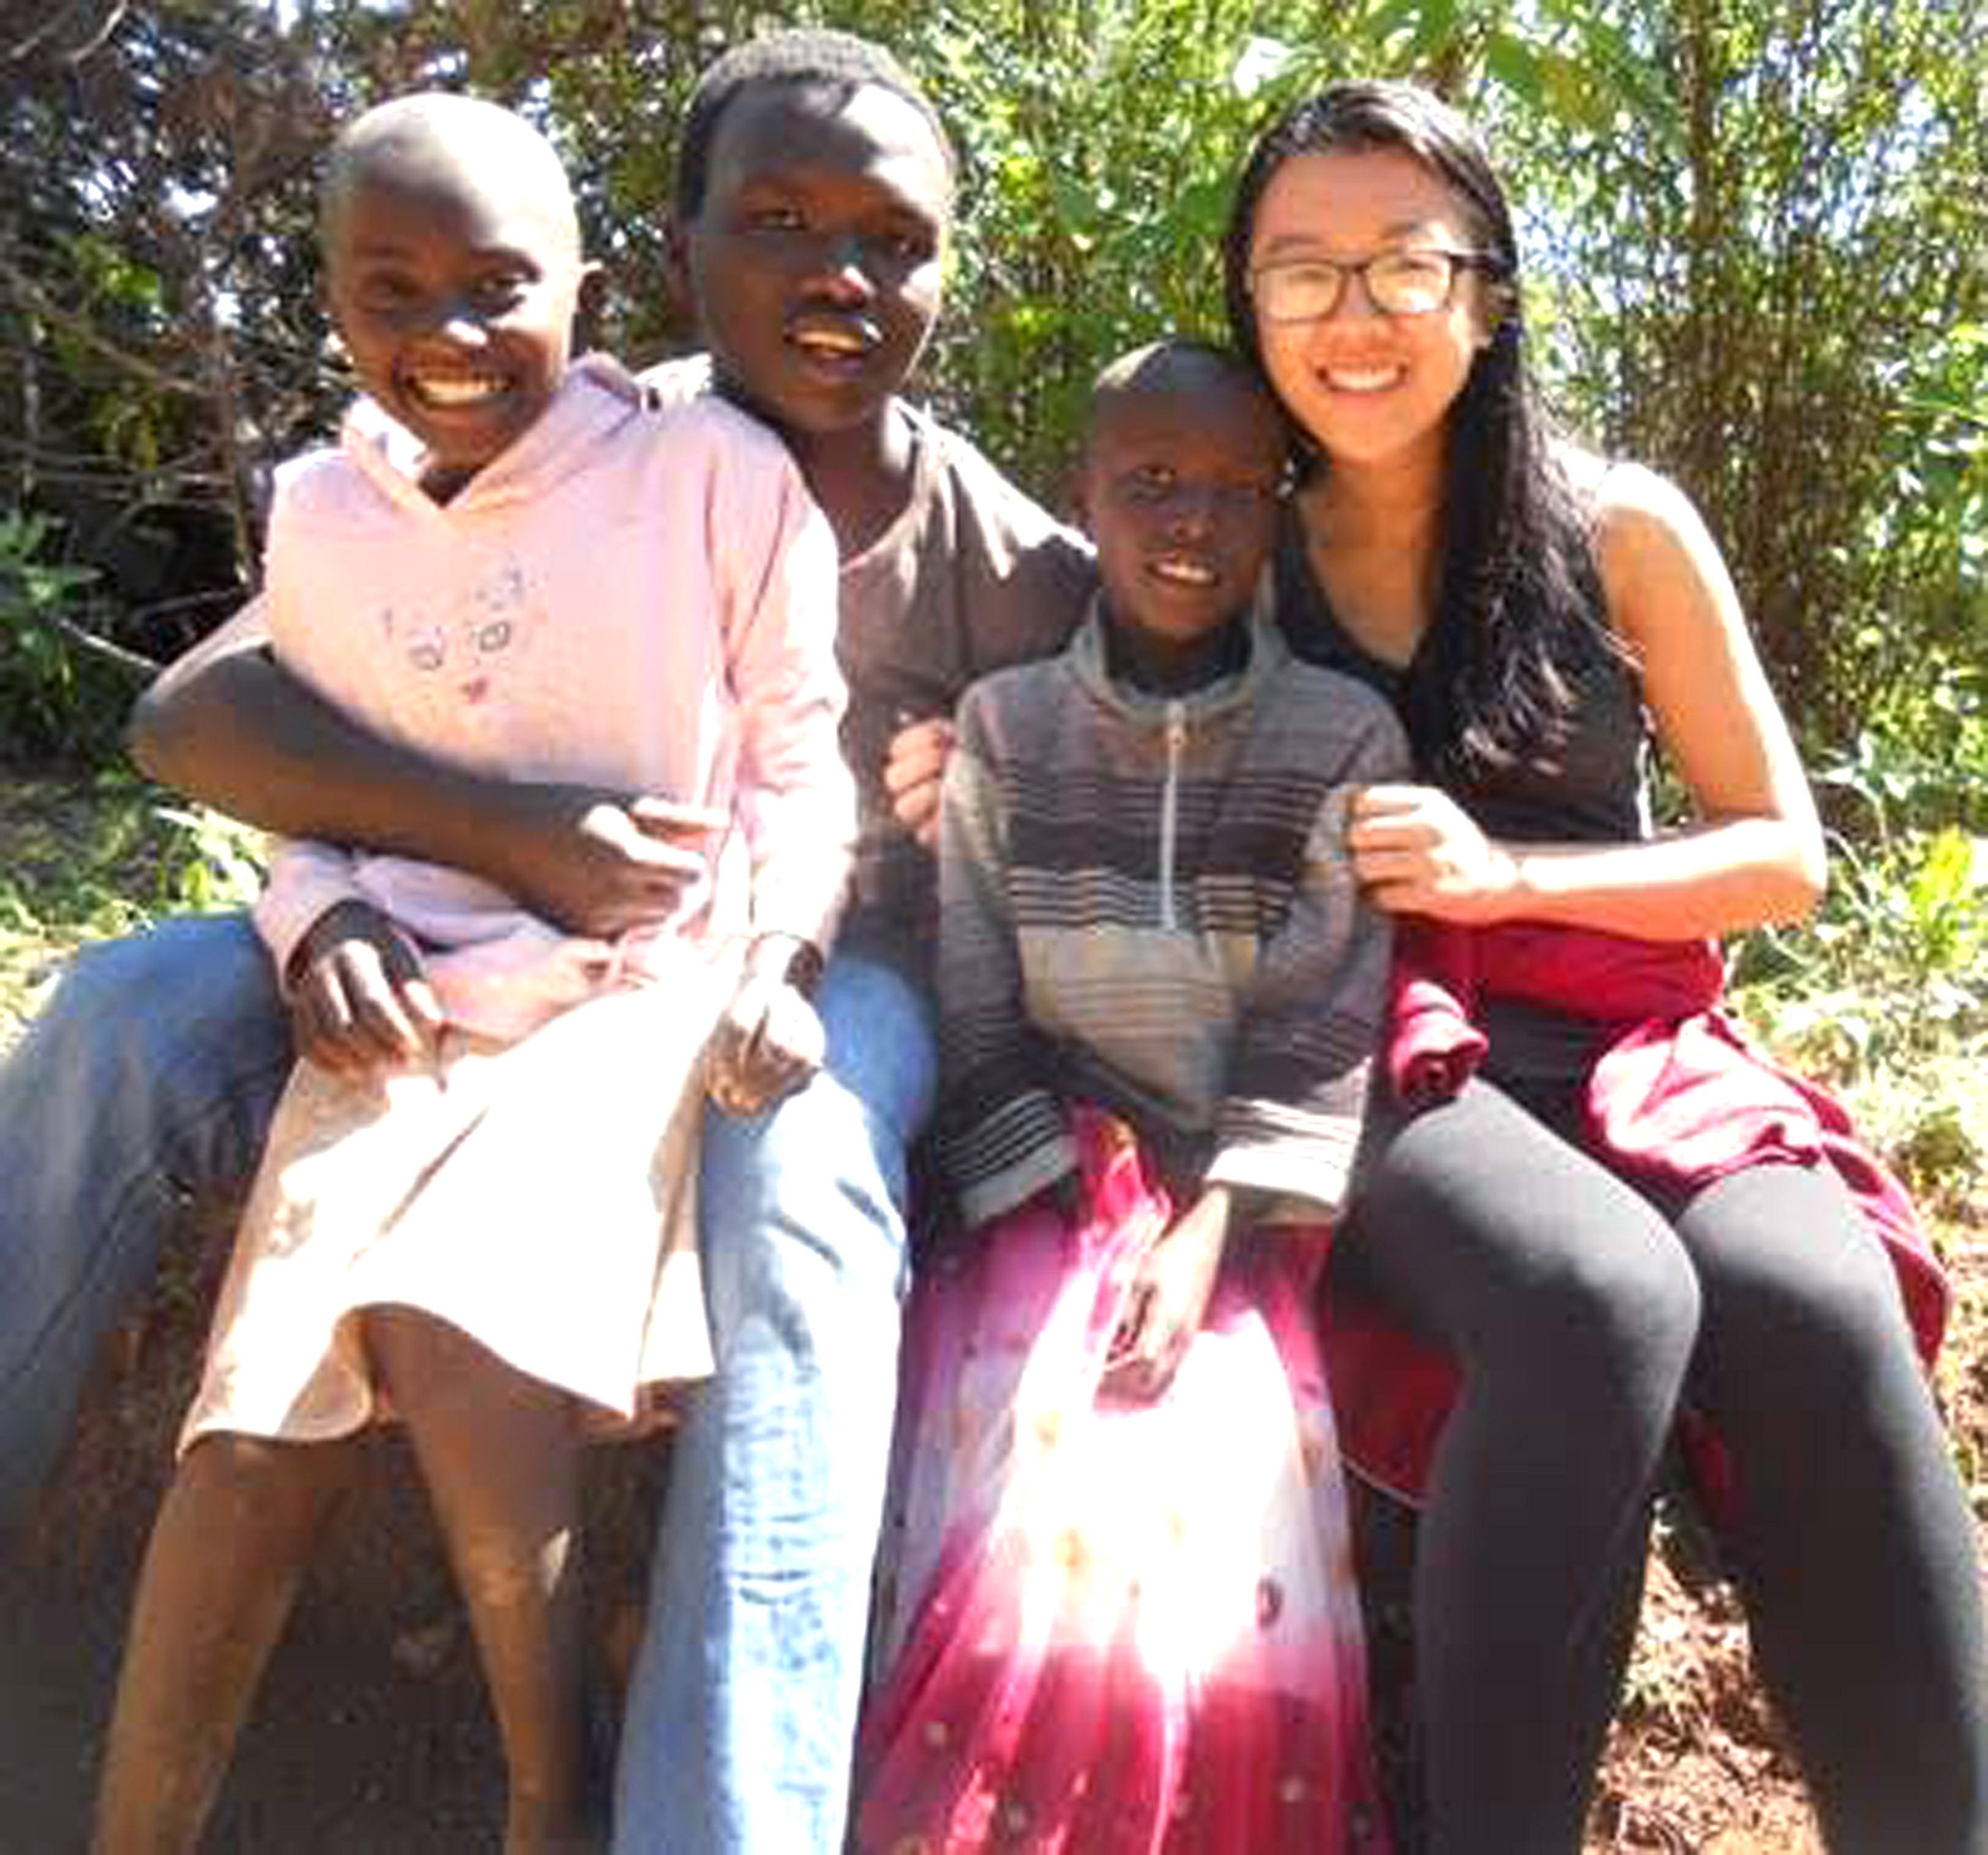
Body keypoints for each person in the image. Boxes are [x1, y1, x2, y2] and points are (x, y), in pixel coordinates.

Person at [0, 27, 1092, 1853]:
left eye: (892, 238)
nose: (837, 273)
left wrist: (1002, 754)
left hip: (801, 973)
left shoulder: (978, 526)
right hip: (433, 939)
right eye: (779, 219)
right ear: (665, 260)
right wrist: (449, 853)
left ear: (947, 271)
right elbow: (198, 715)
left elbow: (1187, 679)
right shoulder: (569, 426)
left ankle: (711, 1821)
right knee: (125, 1005)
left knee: (803, 1169)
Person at [1212, 80, 1988, 1855]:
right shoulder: (1225, 541)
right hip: (1370, 1044)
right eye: (1301, 271)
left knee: (1809, 1296)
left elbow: (1781, 851)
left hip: (1633, 1031)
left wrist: (1512, 869)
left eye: (1406, 265)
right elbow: (1083, 723)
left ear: (1488, 295)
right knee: (1599, 1302)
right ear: (1245, 303)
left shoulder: (1616, 525)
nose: (1354, 315)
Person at [89, 92, 853, 1855]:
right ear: (333, 296)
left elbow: (800, 765)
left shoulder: (710, 475)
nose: (448, 335)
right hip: (398, 999)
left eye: (498, 284)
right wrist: (321, 923)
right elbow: (313, 788)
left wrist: (773, 954)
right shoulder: (321, 516)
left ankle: (544, 1784)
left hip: (629, 984)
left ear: (589, 284)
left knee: (455, 1307)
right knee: (255, 1402)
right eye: (392, 287)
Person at [852, 340, 1402, 1854]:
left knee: (1216, 1522)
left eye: (1237, 489)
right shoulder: (1009, 732)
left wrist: (1213, 1215)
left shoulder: (1340, 741)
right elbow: (976, 998)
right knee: (1043, 1495)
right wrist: (1067, 1207)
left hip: (1230, 1210)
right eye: (1150, 481)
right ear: (1081, 495)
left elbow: (1322, 1007)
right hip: (1046, 1185)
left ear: (1280, 512)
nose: (1192, 520)